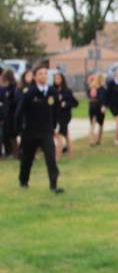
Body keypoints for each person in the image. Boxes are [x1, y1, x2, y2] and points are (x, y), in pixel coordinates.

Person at [15, 65, 64, 194]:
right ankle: (23, 181)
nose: (44, 76)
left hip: (46, 132)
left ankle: (54, 186)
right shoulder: (29, 93)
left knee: (50, 158)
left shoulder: (52, 92)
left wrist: (55, 125)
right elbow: (19, 113)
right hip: (30, 132)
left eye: (45, 74)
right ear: (35, 77)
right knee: (27, 158)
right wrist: (20, 131)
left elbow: (56, 110)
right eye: (41, 74)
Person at [53, 72, 79, 160]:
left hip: (64, 115)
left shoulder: (67, 91)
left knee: (60, 135)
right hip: (55, 115)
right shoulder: (52, 90)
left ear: (62, 79)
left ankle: (57, 156)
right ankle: (70, 153)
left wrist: (66, 104)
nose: (57, 80)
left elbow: (75, 103)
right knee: (66, 134)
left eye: (59, 78)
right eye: (55, 78)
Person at [1, 69, 20, 158]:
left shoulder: (14, 87)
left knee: (13, 134)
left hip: (12, 114)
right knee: (8, 134)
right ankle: (10, 152)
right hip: (7, 114)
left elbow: (14, 101)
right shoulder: (6, 88)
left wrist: (7, 103)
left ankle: (15, 153)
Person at [86, 73, 106, 146]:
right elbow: (103, 99)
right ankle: (94, 140)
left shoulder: (93, 88)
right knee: (95, 124)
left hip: (95, 107)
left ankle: (96, 140)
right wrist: (103, 105)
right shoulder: (96, 88)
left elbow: (91, 97)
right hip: (96, 107)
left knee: (97, 124)